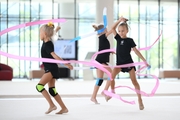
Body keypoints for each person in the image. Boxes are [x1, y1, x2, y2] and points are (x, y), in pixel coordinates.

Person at [109, 17, 150, 110]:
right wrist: (119, 20)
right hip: (119, 64)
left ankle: (140, 99)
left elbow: (136, 51)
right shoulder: (118, 39)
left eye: (123, 31)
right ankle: (112, 91)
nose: (120, 32)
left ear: (127, 30)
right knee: (111, 77)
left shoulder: (130, 40)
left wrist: (144, 60)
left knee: (134, 81)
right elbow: (112, 29)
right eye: (119, 31)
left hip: (129, 63)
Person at [36, 22, 73, 114]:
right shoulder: (47, 41)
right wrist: (56, 30)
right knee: (52, 90)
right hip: (52, 68)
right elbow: (52, 35)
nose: (39, 34)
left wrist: (66, 64)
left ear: (44, 34)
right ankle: (64, 108)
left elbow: (55, 56)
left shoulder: (48, 44)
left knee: (39, 86)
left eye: (40, 32)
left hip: (51, 69)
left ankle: (52, 105)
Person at [90, 24, 113, 104]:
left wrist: (111, 51)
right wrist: (119, 21)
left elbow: (104, 48)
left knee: (100, 79)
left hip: (100, 61)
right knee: (111, 74)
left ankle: (93, 97)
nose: (107, 30)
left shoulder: (102, 38)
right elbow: (112, 29)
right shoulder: (103, 37)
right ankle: (105, 91)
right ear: (103, 31)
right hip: (100, 61)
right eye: (106, 29)